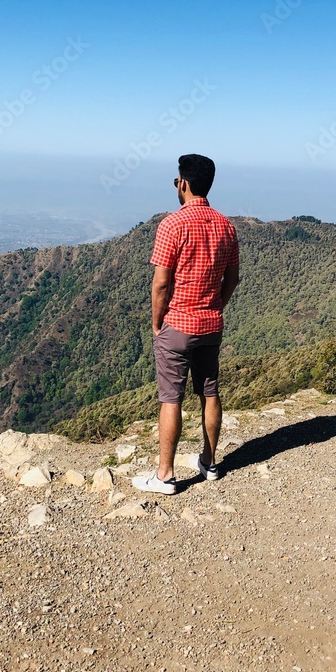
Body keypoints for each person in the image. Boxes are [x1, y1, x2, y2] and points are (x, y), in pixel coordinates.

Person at [133, 154, 240, 495]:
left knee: (171, 398)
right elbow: (233, 278)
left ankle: (164, 475)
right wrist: (215, 307)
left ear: (183, 183)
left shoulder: (172, 225)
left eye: (176, 181)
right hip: (211, 324)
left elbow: (161, 283)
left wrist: (156, 322)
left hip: (177, 324)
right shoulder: (226, 225)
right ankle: (210, 463)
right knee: (210, 392)